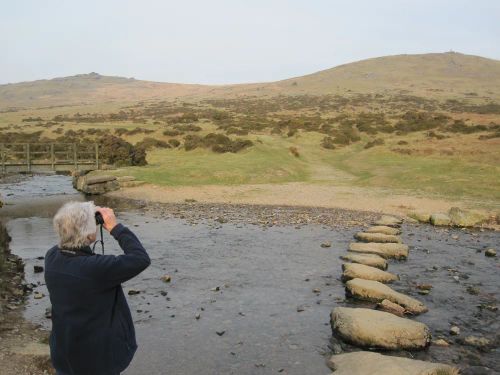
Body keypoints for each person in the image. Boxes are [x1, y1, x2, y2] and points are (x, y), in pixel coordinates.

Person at [45, 201, 151, 375]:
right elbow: (140, 258)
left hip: (64, 351)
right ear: (89, 235)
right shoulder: (96, 269)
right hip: (96, 359)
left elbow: (69, 240)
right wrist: (115, 227)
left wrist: (80, 218)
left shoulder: (52, 257)